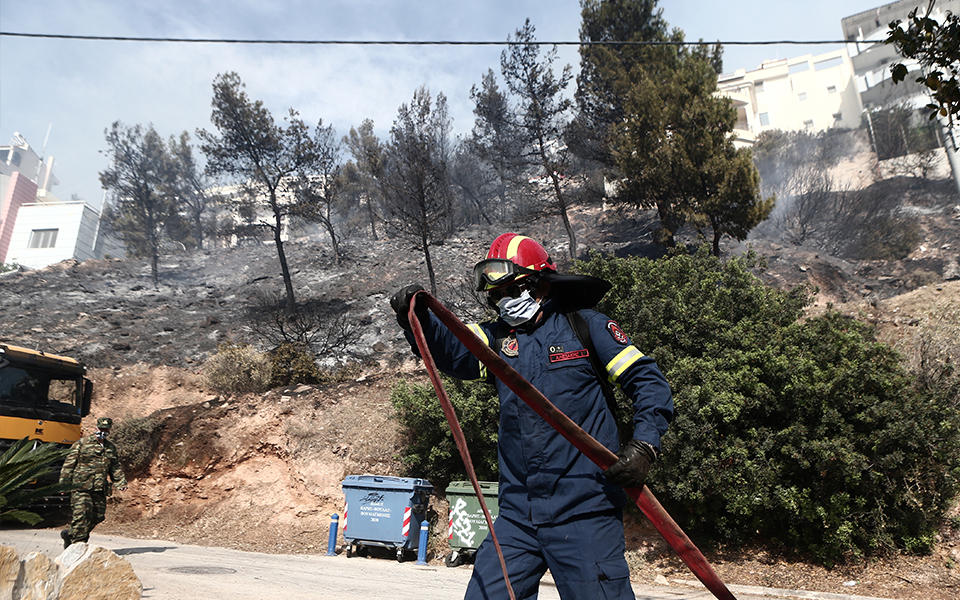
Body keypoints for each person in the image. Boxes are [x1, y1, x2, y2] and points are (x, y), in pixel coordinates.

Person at [391, 233, 673, 600]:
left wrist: (645, 446)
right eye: (496, 296)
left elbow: (649, 383)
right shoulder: (495, 340)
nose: (503, 302)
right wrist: (418, 318)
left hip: (585, 511)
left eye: (511, 290)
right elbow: (449, 347)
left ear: (539, 284)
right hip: (518, 516)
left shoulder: (585, 327)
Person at [59, 417, 127, 548]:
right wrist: (64, 484)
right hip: (81, 487)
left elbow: (115, 467)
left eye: (106, 429)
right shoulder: (82, 443)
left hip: (99, 488)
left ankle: (70, 534)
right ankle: (77, 546)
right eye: (101, 429)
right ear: (96, 428)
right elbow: (69, 464)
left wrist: (120, 482)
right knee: (82, 515)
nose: (103, 432)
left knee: (98, 516)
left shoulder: (110, 447)